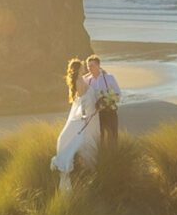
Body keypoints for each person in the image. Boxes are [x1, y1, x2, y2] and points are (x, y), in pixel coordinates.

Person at [49, 58, 100, 191]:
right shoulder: (78, 82)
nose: (85, 68)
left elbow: (91, 78)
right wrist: (85, 116)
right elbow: (82, 100)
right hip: (89, 114)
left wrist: (101, 72)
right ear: (78, 69)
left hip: (92, 111)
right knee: (86, 139)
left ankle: (91, 167)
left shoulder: (82, 78)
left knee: (91, 137)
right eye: (83, 66)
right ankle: (88, 168)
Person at [85, 54, 122, 148]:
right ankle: (102, 157)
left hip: (110, 112)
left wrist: (107, 101)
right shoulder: (87, 80)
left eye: (92, 65)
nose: (89, 68)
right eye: (88, 66)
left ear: (98, 65)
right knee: (99, 138)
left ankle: (114, 157)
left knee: (113, 137)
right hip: (96, 114)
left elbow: (118, 94)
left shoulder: (109, 77)